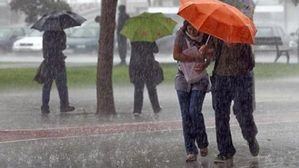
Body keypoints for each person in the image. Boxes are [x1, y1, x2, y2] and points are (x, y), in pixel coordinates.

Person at [208, 39, 259, 163]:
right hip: (221, 78)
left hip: (241, 78)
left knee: (243, 112)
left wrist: (238, 47)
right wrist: (208, 51)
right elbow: (212, 56)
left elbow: (250, 63)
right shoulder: (216, 35)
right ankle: (225, 151)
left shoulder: (241, 37)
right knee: (220, 115)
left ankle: (250, 136)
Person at [173, 21, 213, 162]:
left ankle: (202, 143)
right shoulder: (180, 35)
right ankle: (190, 149)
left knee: (194, 111)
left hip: (200, 78)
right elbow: (176, 55)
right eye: (190, 27)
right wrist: (194, 57)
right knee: (186, 115)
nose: (193, 30)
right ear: (186, 25)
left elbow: (211, 55)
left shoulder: (207, 37)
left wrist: (205, 61)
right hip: (182, 77)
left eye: (195, 28)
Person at [39, 30, 75, 114]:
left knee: (47, 87)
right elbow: (63, 46)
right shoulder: (61, 33)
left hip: (48, 62)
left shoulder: (46, 33)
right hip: (58, 62)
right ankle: (64, 105)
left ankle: (45, 107)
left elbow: (45, 48)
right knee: (62, 86)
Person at [129, 41, 163, 116]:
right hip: (148, 65)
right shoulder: (149, 38)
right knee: (151, 88)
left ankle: (137, 110)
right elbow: (156, 50)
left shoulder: (134, 40)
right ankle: (156, 108)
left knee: (138, 89)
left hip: (137, 66)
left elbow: (134, 52)